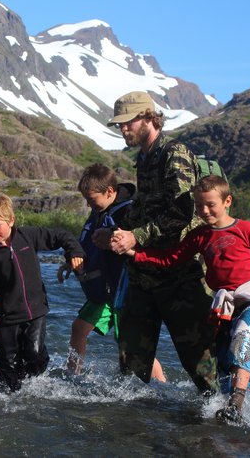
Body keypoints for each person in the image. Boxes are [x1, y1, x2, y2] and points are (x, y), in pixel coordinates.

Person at [126, 175, 250, 423]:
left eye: (210, 204)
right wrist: (135, 254)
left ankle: (236, 403)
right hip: (225, 305)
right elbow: (170, 259)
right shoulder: (200, 235)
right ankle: (223, 408)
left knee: (243, 335)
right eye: (199, 205)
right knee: (221, 359)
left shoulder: (246, 229)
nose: (204, 210)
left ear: (227, 201)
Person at [96, 90, 219, 395]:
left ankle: (225, 421)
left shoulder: (173, 153)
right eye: (119, 125)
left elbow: (181, 212)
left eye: (128, 123)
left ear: (148, 118)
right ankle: (133, 430)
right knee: (130, 369)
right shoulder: (145, 158)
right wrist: (115, 234)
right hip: (145, 274)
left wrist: (135, 237)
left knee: (202, 367)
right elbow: (144, 210)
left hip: (181, 274)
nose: (123, 130)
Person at [61, 163, 165, 381]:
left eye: (91, 199)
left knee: (130, 344)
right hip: (104, 290)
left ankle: (161, 384)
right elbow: (86, 244)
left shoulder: (127, 212)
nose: (89, 204)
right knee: (79, 328)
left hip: (121, 290)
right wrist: (71, 260)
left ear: (109, 191)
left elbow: (136, 243)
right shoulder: (99, 211)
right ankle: (72, 376)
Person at [0, 193, 84, 392]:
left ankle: (36, 384)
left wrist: (74, 252)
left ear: (11, 220)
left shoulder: (28, 236)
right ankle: (9, 390)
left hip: (36, 311)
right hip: (6, 318)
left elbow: (62, 236)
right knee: (9, 360)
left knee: (33, 353)